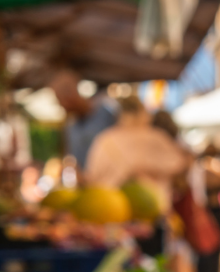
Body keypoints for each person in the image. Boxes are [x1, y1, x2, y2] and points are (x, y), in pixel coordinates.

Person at [85, 96, 189, 255]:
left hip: (113, 221)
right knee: (153, 269)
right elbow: (181, 164)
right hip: (152, 219)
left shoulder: (105, 140)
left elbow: (91, 177)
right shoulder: (156, 137)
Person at [49, 70, 118, 169]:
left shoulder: (107, 112)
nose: (60, 105)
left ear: (70, 95)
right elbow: (71, 158)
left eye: (59, 100)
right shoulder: (70, 126)